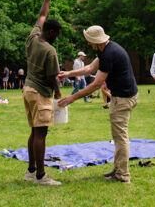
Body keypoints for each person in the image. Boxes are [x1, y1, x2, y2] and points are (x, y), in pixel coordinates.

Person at [58, 24, 139, 184]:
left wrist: (72, 98)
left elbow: (96, 84)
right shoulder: (105, 50)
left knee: (121, 137)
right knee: (118, 136)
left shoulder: (109, 53)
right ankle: (118, 170)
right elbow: (89, 68)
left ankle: (123, 175)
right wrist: (69, 73)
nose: (88, 43)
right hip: (123, 95)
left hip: (123, 98)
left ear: (95, 41)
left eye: (89, 40)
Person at [19, 0, 63, 186]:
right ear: (52, 32)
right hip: (40, 93)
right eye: (57, 34)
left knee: (34, 131)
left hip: (27, 89)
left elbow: (42, 16)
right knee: (41, 133)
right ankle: (40, 176)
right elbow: (53, 77)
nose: (57, 38)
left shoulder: (33, 37)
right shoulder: (49, 51)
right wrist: (60, 94)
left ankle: (30, 171)